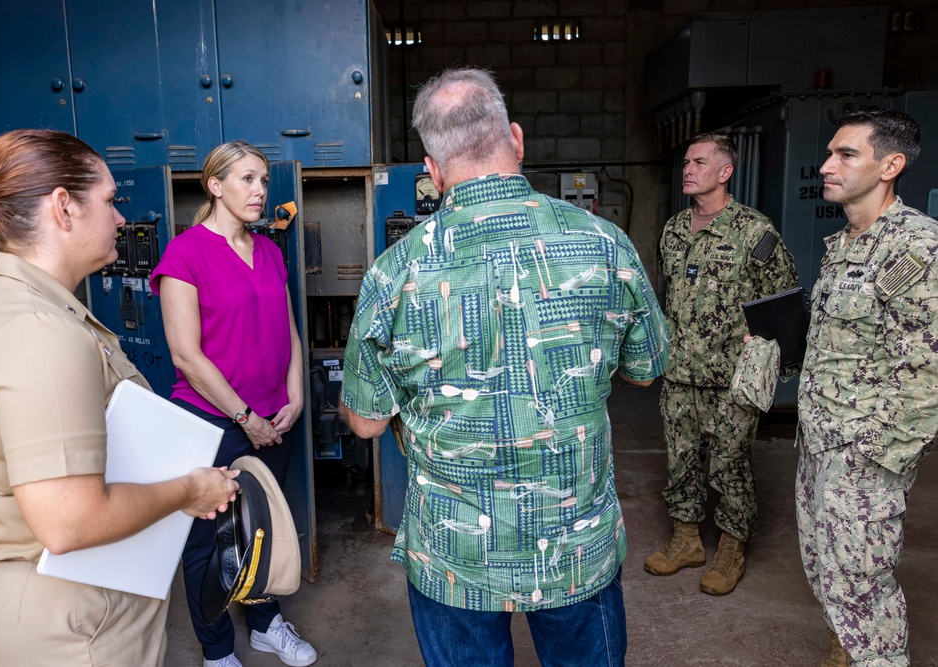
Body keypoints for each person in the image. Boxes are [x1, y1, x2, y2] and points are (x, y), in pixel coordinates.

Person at [339, 68, 669, 667]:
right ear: (516, 139)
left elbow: (364, 423)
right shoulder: (605, 244)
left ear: (432, 171)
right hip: (573, 540)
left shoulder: (394, 273)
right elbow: (646, 369)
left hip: (453, 552)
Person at [0, 129, 240, 667]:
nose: (122, 219)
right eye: (109, 201)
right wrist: (190, 489)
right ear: (64, 208)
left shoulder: (31, 307)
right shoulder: (38, 332)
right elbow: (69, 522)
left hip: (82, 616)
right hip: (74, 635)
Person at [150, 140, 316, 667]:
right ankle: (217, 650)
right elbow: (186, 354)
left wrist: (295, 395)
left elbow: (289, 330)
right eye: (247, 179)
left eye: (264, 180)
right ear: (215, 186)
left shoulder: (268, 250)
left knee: (260, 528)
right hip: (212, 421)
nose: (260, 190)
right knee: (209, 542)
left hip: (274, 416)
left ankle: (266, 625)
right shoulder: (185, 252)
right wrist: (245, 417)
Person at [796, 109, 938, 667]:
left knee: (862, 586)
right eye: (830, 152)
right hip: (821, 442)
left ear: (891, 165)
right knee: (826, 572)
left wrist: (879, 462)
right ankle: (853, 650)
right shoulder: (845, 244)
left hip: (863, 456)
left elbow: (928, 373)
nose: (827, 165)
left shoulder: (916, 249)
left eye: (846, 154)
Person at [646, 133, 798, 595]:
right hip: (679, 373)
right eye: (686, 162)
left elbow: (785, 301)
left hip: (731, 378)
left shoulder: (754, 231)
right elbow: (668, 296)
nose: (688, 169)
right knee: (681, 461)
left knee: (730, 465)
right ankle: (686, 540)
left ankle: (732, 548)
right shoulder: (673, 230)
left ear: (725, 172)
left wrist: (771, 368)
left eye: (700, 162)